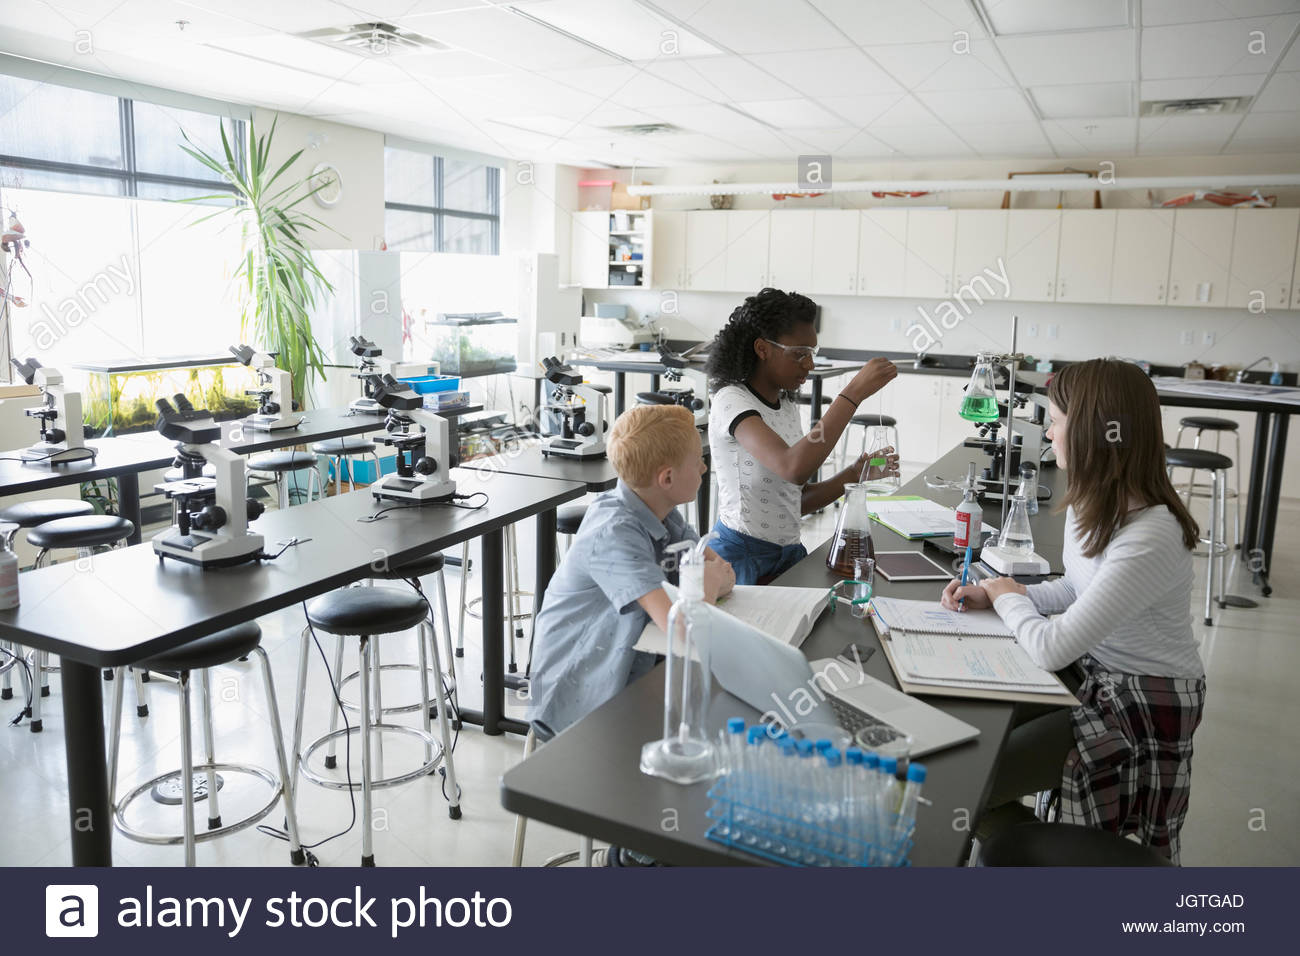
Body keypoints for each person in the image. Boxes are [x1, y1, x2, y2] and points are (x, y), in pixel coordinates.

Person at [942, 359, 1205, 863]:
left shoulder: (1152, 534)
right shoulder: (1094, 502)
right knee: (973, 744)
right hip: (1096, 672)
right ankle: (1033, 853)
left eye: (1057, 421)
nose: (1050, 432)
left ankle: (1052, 864)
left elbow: (1052, 646)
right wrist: (1003, 591)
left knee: (970, 783)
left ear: (1091, 431)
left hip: (1143, 702)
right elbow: (1074, 590)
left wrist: (1007, 599)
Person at [529, 403, 735, 739]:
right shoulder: (613, 531)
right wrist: (706, 585)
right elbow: (685, 629)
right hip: (579, 700)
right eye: (697, 459)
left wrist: (707, 583)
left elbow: (723, 571)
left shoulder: (662, 512)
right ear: (667, 478)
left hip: (633, 668)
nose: (703, 466)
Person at [704, 287, 899, 585]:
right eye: (799, 354)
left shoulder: (786, 406)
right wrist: (852, 394)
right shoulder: (731, 400)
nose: (809, 365)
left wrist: (855, 472)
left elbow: (795, 499)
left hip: (788, 556)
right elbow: (791, 466)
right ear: (762, 349)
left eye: (812, 354)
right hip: (741, 559)